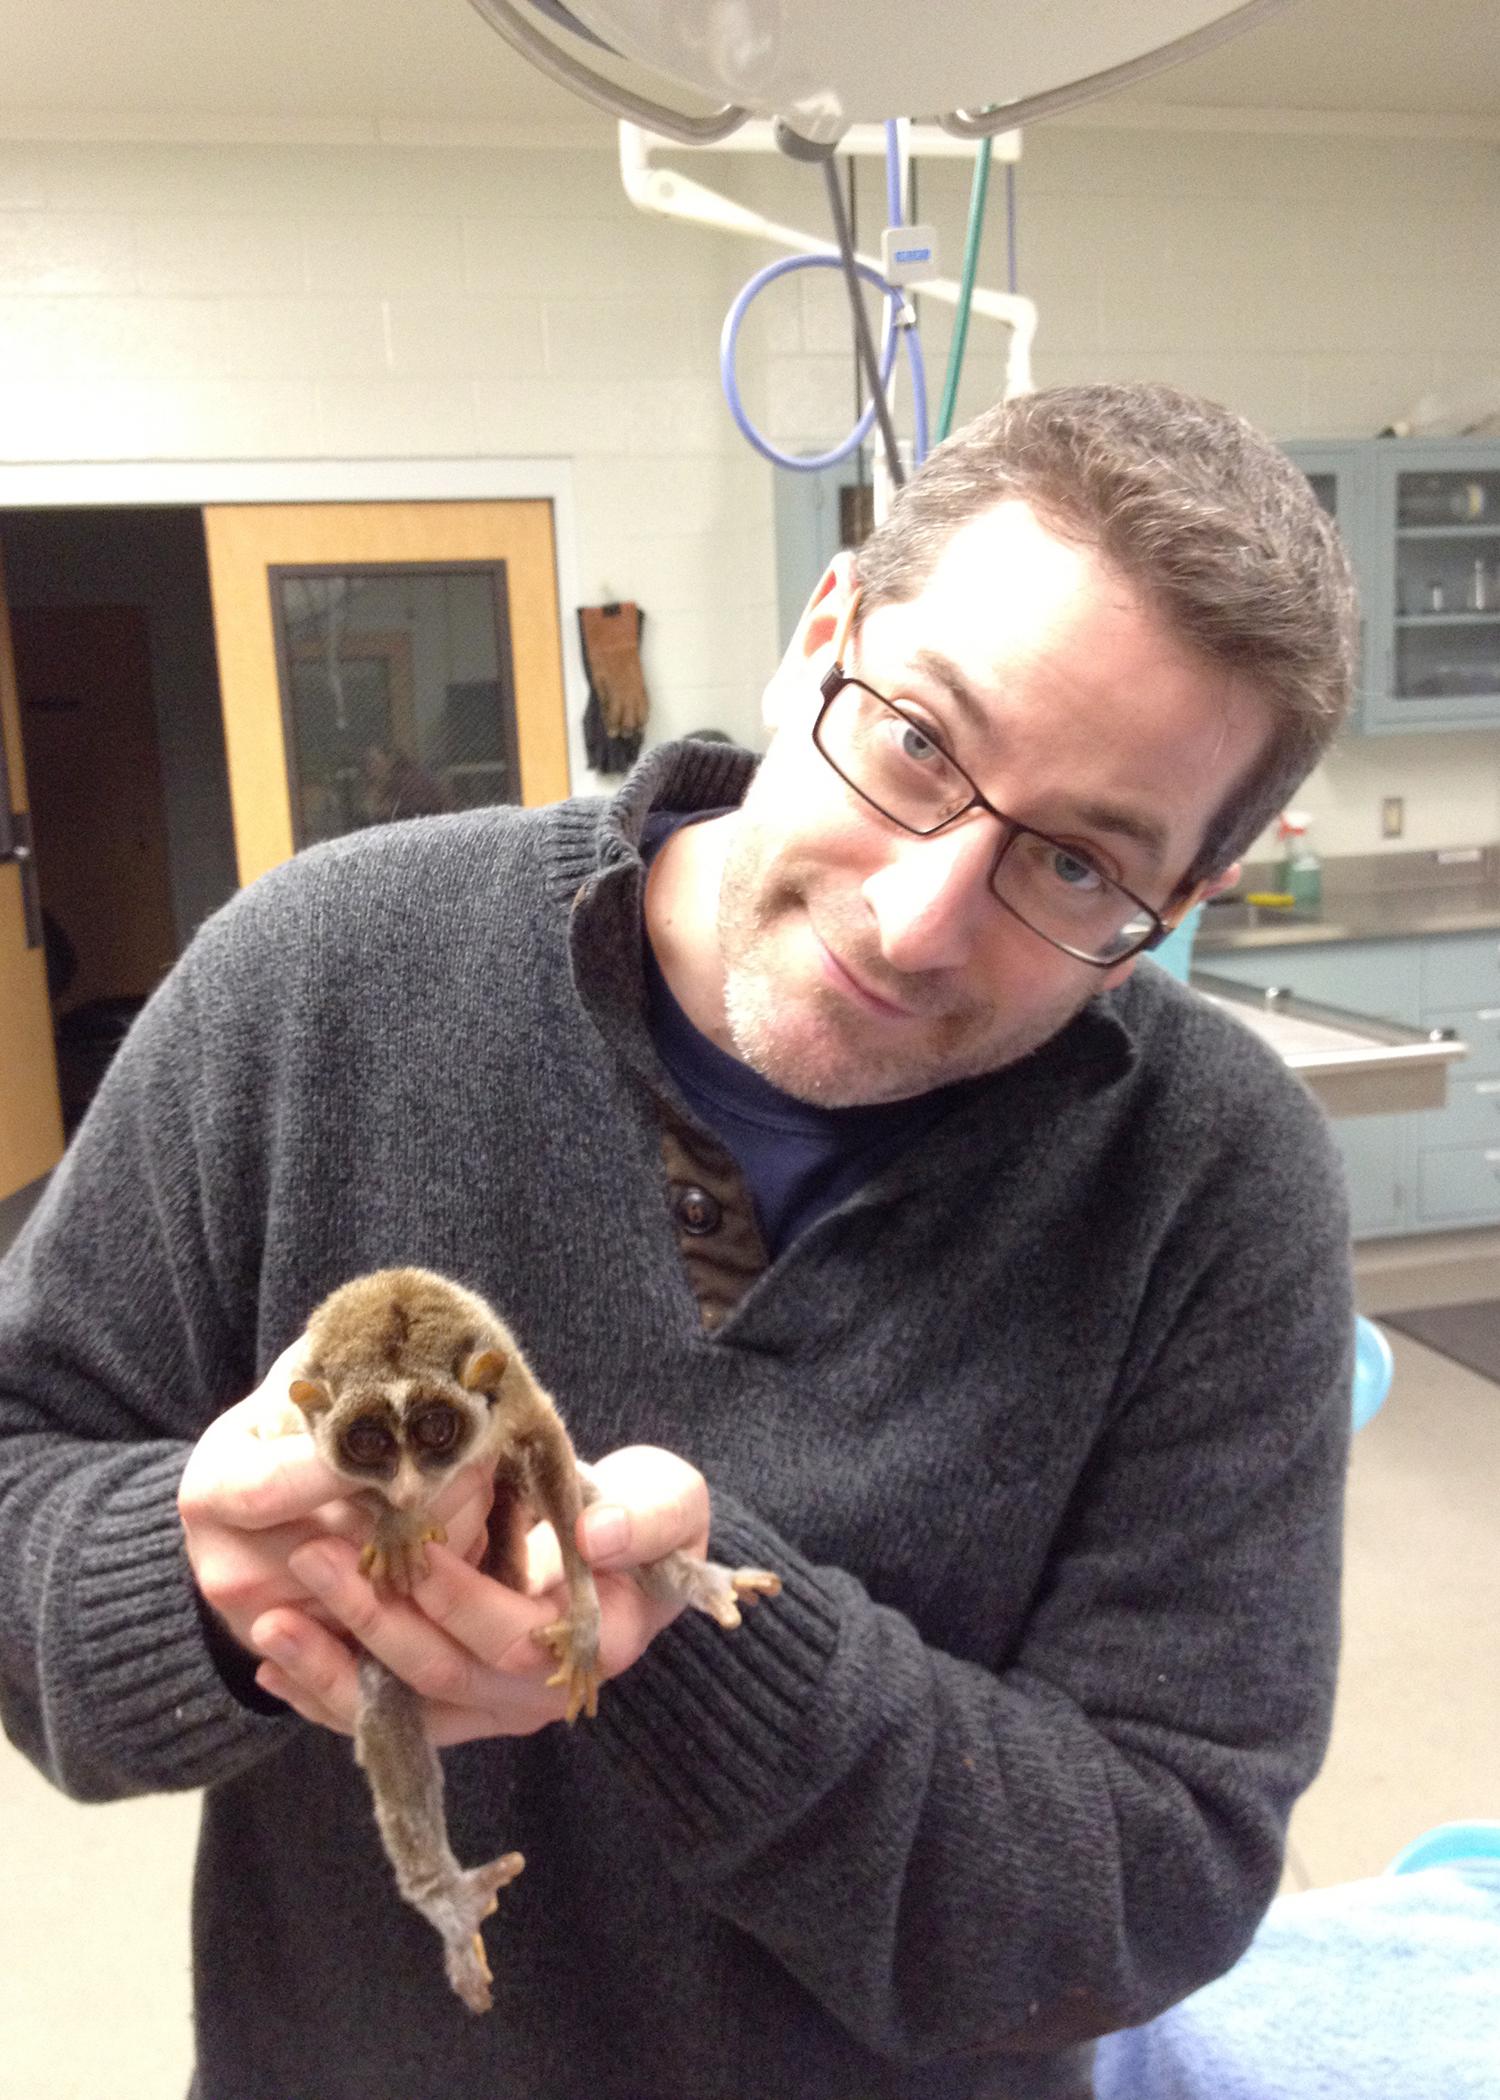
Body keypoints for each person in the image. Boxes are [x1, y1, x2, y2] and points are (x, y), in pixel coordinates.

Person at [0, 382, 1358, 2100]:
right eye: (920, 741)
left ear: (1192, 900)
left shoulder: (1218, 1183)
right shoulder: (313, 978)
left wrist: (709, 1665)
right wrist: (194, 1592)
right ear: (821, 635)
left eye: (1082, 867)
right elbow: (17, 1485)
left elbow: (1156, 1880)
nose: (916, 915)